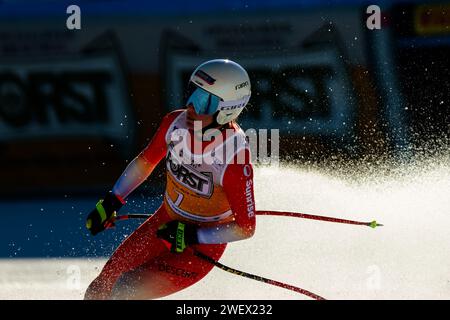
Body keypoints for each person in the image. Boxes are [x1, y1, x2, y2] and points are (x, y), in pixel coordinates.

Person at [84, 59, 256, 299]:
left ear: (227, 109)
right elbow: (146, 162)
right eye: (191, 94)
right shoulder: (174, 124)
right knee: (101, 288)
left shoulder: (234, 159)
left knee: (126, 292)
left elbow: (246, 228)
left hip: (199, 249)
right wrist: (113, 200)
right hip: (164, 223)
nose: (191, 107)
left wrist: (192, 235)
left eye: (204, 101)